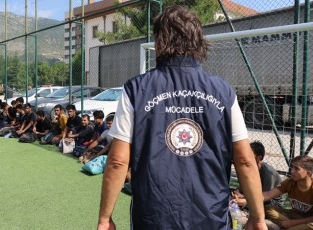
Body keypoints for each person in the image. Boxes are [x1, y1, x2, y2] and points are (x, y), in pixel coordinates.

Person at [97, 6, 266, 230]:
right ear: (198, 41)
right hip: (210, 216)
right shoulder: (223, 91)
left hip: (153, 217)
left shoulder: (135, 89)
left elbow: (118, 161)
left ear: (159, 40)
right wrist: (257, 217)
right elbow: (245, 160)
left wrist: (105, 218)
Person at [263, 155, 313, 230]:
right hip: (293, 215)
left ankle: (285, 226)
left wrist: (292, 223)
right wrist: (246, 198)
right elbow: (268, 195)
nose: (292, 171)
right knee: (268, 209)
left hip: (308, 220)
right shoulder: (290, 182)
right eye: (292, 167)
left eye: (297, 169)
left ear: (308, 174)